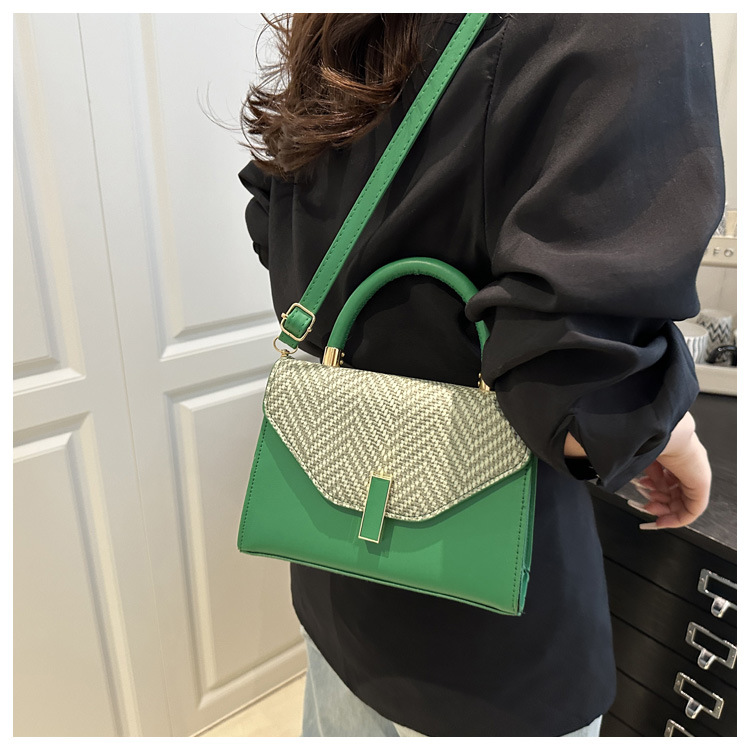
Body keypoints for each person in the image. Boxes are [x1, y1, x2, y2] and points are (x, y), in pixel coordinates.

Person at [237, 13, 722, 737]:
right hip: (490, 661)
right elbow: (578, 388)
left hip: (338, 593)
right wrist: (664, 431)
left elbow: (276, 221)